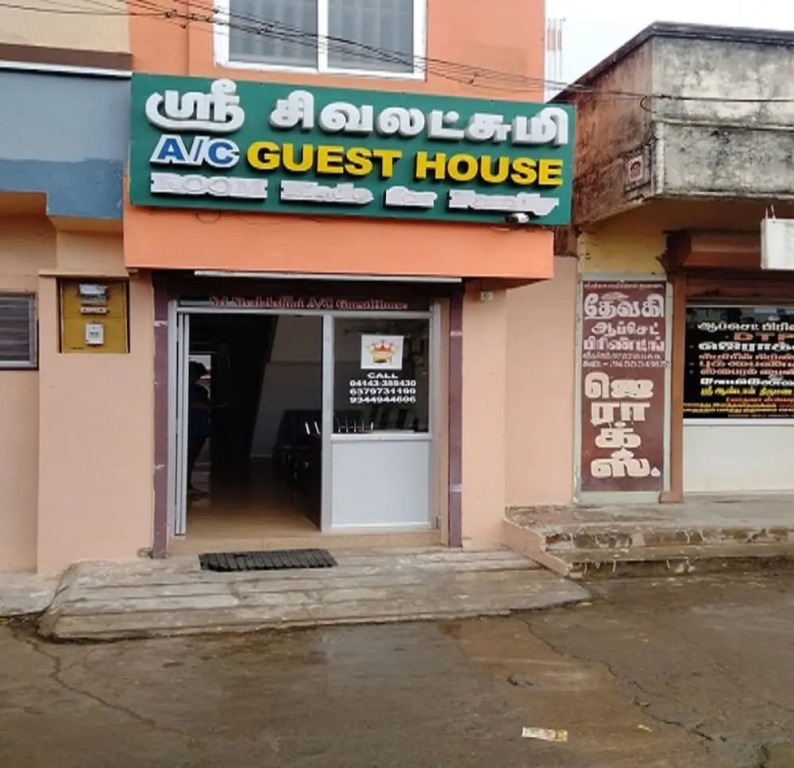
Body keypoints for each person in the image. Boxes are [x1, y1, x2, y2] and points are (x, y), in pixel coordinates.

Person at [187, 361, 212, 495]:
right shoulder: (181, 389)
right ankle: (186, 485)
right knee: (188, 458)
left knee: (191, 458)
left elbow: (207, 406)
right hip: (192, 428)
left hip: (198, 429)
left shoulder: (200, 390)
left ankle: (187, 485)